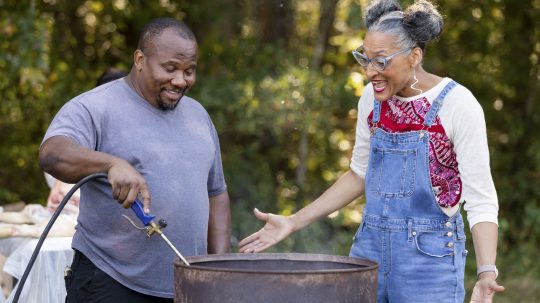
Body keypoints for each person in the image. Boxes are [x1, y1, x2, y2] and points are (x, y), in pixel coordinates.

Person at [239, 1, 504, 302]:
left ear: (414, 56)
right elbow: (358, 175)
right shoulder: (372, 99)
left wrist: (486, 272)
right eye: (365, 60)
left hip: (429, 261)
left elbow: (481, 199)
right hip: (370, 252)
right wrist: (292, 221)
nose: (369, 72)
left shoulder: (458, 105)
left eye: (381, 61)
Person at [39, 18, 231, 303]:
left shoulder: (199, 116)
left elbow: (217, 196)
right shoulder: (96, 106)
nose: (180, 80)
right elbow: (52, 153)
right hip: (110, 282)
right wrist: (110, 164)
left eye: (189, 71)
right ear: (140, 59)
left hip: (187, 288)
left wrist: (217, 272)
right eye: (170, 68)